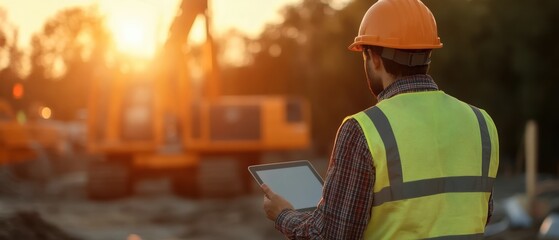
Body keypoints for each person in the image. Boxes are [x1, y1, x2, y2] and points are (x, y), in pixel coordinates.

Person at [261, 0, 499, 239]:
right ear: (428, 54)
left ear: (373, 58)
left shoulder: (363, 129)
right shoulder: (481, 123)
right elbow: (480, 214)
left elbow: (333, 236)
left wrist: (283, 215)